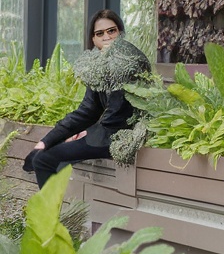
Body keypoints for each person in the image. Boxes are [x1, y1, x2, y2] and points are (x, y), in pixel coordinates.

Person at [23, 10, 151, 188]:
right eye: (100, 33)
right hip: (105, 134)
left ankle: (49, 216)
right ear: (93, 39)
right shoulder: (99, 66)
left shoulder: (130, 61)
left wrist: (87, 133)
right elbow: (87, 111)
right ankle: (56, 213)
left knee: (44, 161)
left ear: (120, 33)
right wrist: (45, 142)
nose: (106, 36)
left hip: (122, 137)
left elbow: (118, 117)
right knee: (40, 155)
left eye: (111, 31)